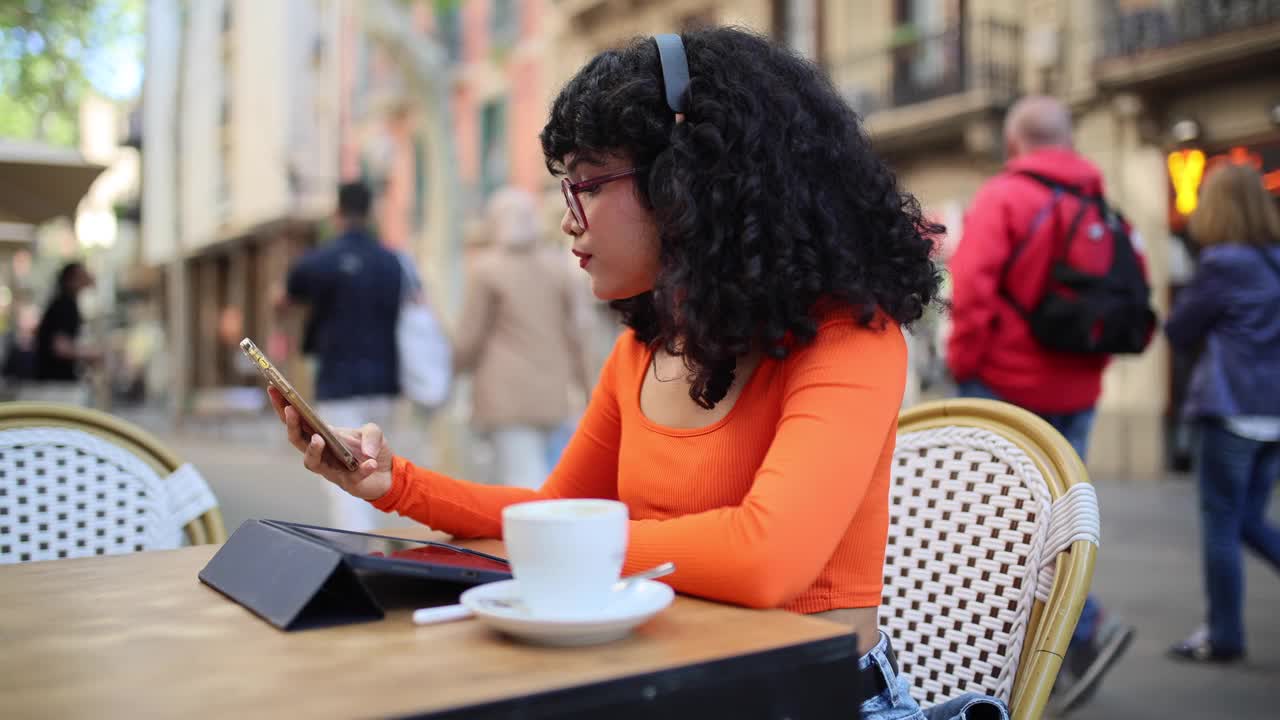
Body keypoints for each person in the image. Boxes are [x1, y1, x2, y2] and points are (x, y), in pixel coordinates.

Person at [270, 28, 1007, 720]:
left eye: (588, 184)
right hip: (672, 685)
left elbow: (765, 559)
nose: (569, 218)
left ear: (688, 182)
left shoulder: (850, 334)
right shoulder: (644, 349)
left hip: (822, 700)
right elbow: (548, 513)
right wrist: (391, 482)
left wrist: (570, 543)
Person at [945, 95, 1136, 714]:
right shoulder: (1102, 204)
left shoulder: (1003, 197)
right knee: (1061, 525)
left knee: (989, 534)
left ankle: (1018, 651)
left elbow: (970, 293)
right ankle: (1071, 632)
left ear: (1013, 143)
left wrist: (965, 367)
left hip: (1003, 391)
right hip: (1076, 395)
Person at [1165, 162, 1280, 663]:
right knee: (1248, 518)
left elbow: (1179, 330)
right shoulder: (1276, 260)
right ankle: (1223, 630)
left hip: (1230, 409)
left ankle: (1225, 635)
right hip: (1272, 414)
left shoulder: (1221, 263)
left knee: (1223, 526)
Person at [452, 186, 591, 489]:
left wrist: (451, 370)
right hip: (554, 391)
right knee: (551, 476)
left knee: (520, 480)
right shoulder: (558, 267)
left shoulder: (487, 269)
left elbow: (469, 338)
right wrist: (585, 385)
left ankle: (534, 536)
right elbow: (577, 333)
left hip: (504, 392)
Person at [283, 180, 403, 531]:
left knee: (345, 473)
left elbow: (291, 290)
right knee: (377, 466)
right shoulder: (391, 262)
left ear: (338, 214)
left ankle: (360, 552)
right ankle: (375, 543)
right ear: (370, 213)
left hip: (339, 380)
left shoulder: (321, 261)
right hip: (385, 382)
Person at [31, 262, 101, 401]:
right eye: (82, 274)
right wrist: (92, 354)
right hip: (57, 385)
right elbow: (60, 347)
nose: (88, 277)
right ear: (71, 279)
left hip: (57, 383)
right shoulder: (65, 305)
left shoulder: (65, 303)